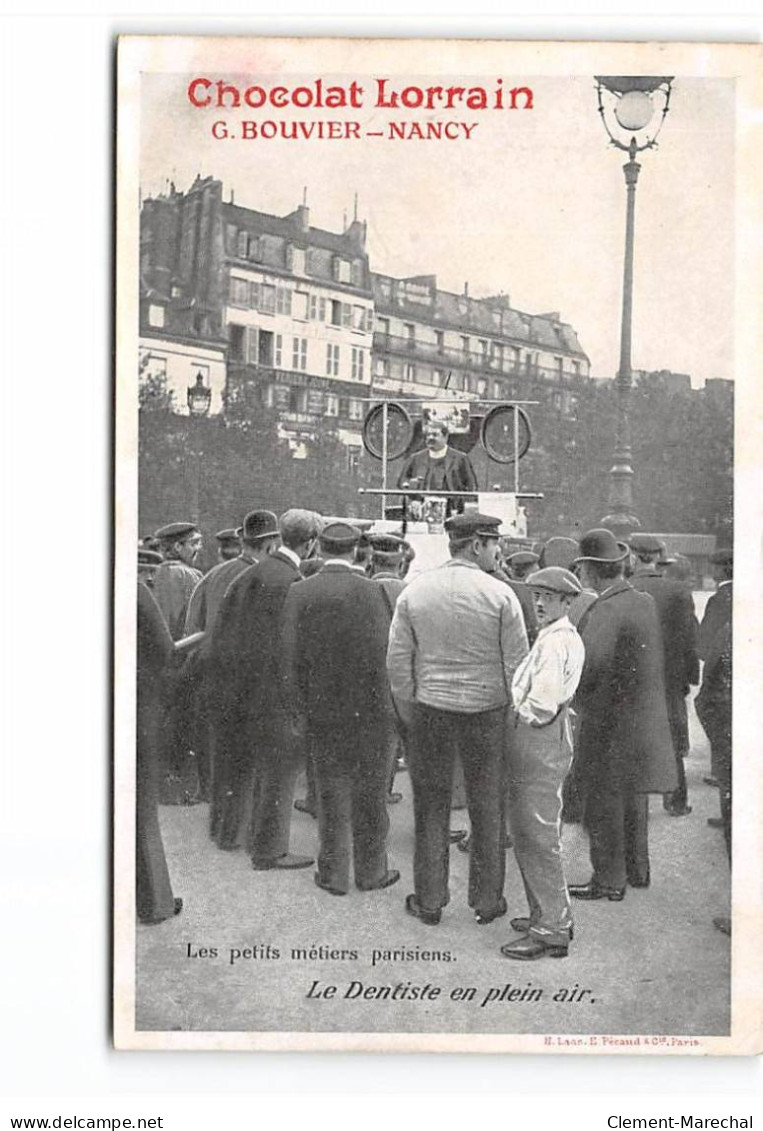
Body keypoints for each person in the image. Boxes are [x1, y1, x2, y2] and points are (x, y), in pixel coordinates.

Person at [387, 512, 528, 926]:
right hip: (486, 714)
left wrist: (411, 712)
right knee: (487, 808)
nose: (498, 551)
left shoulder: (415, 591)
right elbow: (516, 666)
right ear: (477, 545)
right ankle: (487, 902)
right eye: (494, 543)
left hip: (431, 712)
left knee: (431, 807)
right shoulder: (501, 596)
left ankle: (430, 901)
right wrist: (508, 713)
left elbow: (397, 664)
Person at [281, 522, 400, 896]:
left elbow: (287, 657)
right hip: (372, 711)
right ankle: (372, 872)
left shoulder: (299, 591)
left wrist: (297, 708)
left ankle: (332, 874)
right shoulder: (374, 592)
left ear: (319, 547)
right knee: (371, 793)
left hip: (322, 710)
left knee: (330, 792)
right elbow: (388, 655)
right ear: (355, 552)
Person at [569, 529, 676, 901]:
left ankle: (609, 880)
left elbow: (591, 664)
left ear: (592, 569)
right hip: (641, 719)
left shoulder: (605, 608)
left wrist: (571, 693)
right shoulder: (642, 601)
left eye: (583, 568)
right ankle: (637, 869)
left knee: (603, 801)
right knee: (634, 798)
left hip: (609, 722)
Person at [214, 509, 322, 870]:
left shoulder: (249, 575)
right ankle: (270, 850)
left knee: (243, 765)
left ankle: (231, 834)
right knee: (279, 771)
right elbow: (294, 646)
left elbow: (224, 632)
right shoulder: (293, 580)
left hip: (239, 688)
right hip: (275, 692)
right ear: (310, 543)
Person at [500, 567, 585, 961]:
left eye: (548, 597)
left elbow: (542, 703)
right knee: (532, 831)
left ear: (567, 602)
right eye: (536, 595)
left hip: (539, 738)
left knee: (536, 835)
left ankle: (551, 928)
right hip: (548, 739)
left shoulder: (556, 642)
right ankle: (547, 915)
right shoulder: (555, 636)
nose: (539, 603)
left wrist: (516, 711)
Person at [203, 511, 282, 849]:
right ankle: (235, 833)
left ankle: (220, 828)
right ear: (268, 543)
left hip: (216, 678)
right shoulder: (259, 577)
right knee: (247, 764)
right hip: (247, 683)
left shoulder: (217, 573)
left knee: (224, 760)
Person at [630, 534, 700, 818]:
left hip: (635, 678)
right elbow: (688, 640)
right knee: (671, 739)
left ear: (635, 557)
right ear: (659, 559)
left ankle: (636, 803)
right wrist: (687, 679)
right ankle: (676, 800)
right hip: (669, 678)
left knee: (633, 736)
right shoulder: (678, 591)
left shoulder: (626, 589)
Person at [136, 581, 184, 924]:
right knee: (139, 808)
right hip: (134, 706)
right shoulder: (132, 587)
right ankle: (155, 902)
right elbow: (165, 650)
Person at [185, 510, 280, 637]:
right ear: (270, 545)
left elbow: (193, 627)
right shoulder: (265, 579)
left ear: (243, 541)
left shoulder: (212, 575)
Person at [397, 419, 478, 514]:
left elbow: (472, 486)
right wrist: (413, 492)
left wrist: (461, 506)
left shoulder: (460, 458)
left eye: (435, 435)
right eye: (428, 435)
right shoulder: (416, 458)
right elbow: (402, 481)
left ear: (445, 437)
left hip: (452, 510)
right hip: (421, 509)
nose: (430, 438)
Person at [152, 522, 203, 640]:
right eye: (194, 543)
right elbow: (171, 621)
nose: (198, 549)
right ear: (177, 547)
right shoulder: (174, 573)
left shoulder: (167, 571)